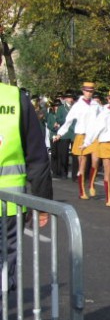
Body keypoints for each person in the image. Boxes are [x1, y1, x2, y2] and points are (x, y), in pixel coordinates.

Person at [0, 81, 52, 292]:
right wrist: (41, 203)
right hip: (9, 206)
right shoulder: (15, 98)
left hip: (9, 209)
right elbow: (37, 158)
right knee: (3, 272)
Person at [53, 82, 101, 199]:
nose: (89, 93)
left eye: (91, 91)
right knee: (82, 164)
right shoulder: (77, 106)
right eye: (87, 91)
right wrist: (59, 134)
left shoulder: (96, 105)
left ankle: (91, 184)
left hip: (93, 137)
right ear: (83, 91)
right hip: (81, 136)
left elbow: (103, 118)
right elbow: (68, 121)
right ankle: (82, 191)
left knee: (96, 159)